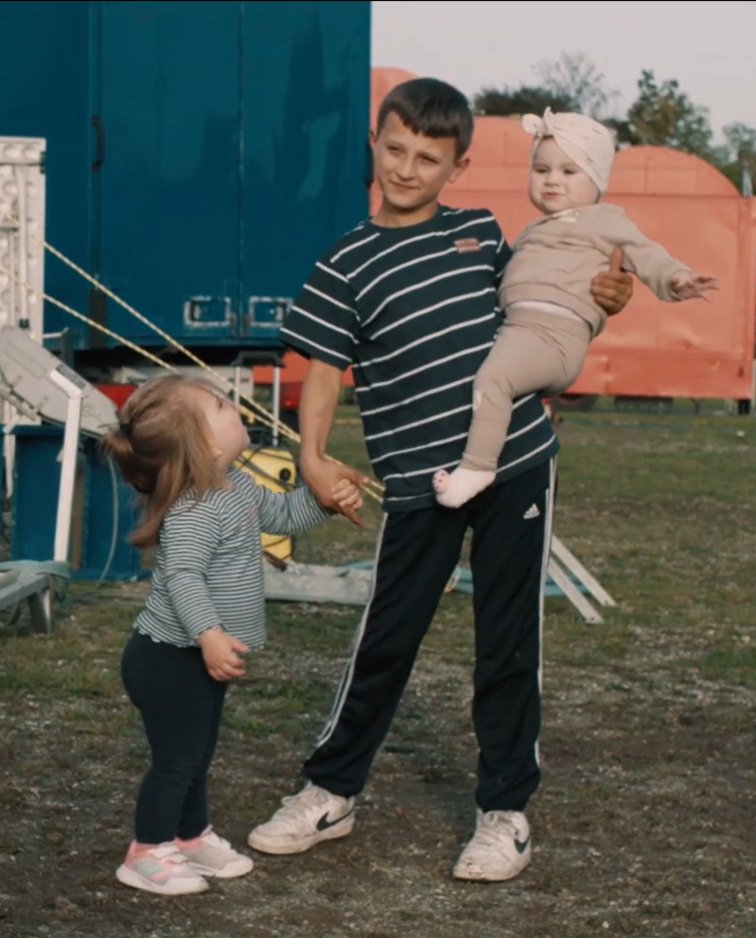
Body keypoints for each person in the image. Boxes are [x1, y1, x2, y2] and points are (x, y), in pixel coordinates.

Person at [246, 78, 634, 883]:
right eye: (396, 150)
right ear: (375, 144)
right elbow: (323, 372)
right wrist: (314, 457)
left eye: (429, 158)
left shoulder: (485, 234)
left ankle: (505, 813)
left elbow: (551, 302)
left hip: (515, 461)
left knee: (506, 641)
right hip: (418, 480)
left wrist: (612, 296)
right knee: (386, 638)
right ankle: (331, 790)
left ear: (457, 166)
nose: (407, 170)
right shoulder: (344, 261)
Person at [100, 375, 359, 896]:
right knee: (175, 762)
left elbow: (283, 514)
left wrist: (326, 501)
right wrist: (209, 633)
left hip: (197, 658)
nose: (235, 404)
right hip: (168, 658)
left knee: (197, 754)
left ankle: (191, 837)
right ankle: (147, 851)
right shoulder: (195, 510)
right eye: (220, 404)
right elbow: (182, 577)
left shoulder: (235, 485)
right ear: (206, 442)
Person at [433, 108, 716, 508]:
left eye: (569, 172)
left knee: (493, 380)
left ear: (597, 180)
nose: (552, 180)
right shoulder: (532, 232)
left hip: (554, 336)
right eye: (542, 169)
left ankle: (478, 468)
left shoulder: (604, 220)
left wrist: (677, 278)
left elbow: (645, 253)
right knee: (477, 374)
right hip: (519, 329)